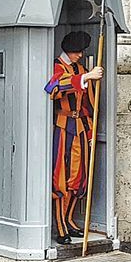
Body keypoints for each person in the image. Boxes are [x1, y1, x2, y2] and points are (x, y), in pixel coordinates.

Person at [44, 30, 104, 245]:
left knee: (78, 179)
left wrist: (90, 130)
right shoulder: (57, 66)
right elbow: (52, 88)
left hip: (80, 128)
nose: (80, 55)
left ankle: (69, 221)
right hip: (62, 128)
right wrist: (86, 78)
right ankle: (60, 227)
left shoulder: (80, 67)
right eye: (77, 51)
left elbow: (89, 104)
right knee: (61, 180)